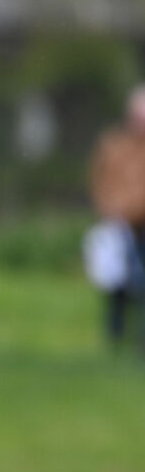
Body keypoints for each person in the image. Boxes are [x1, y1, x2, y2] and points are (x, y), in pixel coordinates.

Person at [89, 83, 145, 352]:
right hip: (119, 226)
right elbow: (100, 181)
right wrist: (109, 208)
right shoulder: (113, 145)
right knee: (117, 284)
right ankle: (116, 337)